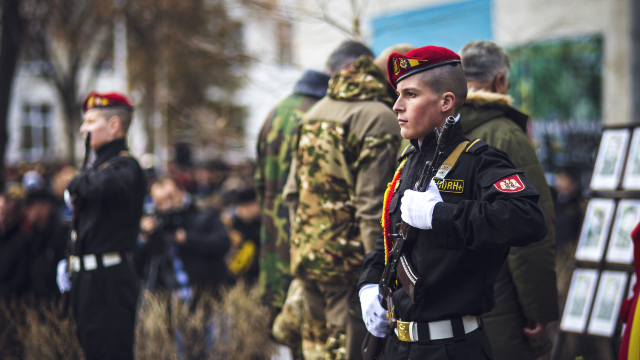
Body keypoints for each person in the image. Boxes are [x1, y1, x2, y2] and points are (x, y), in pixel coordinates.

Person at [357, 45, 548, 360]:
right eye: (398, 95)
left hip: (451, 348)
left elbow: (528, 217)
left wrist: (439, 215)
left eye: (410, 95)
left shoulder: (480, 160)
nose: (396, 106)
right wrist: (368, 286)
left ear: (446, 102)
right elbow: (390, 240)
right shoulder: (408, 162)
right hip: (398, 346)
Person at [284, 41, 402, 360]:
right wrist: (379, 273)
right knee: (351, 351)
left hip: (308, 257)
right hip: (350, 268)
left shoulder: (314, 112)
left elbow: (291, 193)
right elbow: (371, 208)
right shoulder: (380, 118)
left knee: (318, 350)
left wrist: (303, 245)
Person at [459, 40, 559, 360]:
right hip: (500, 306)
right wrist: (539, 311)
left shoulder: (434, 131)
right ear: (500, 81)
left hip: (445, 307)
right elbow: (530, 231)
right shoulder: (506, 135)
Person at [57, 91, 146, 360]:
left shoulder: (125, 166)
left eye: (91, 121)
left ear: (114, 125)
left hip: (109, 281)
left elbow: (102, 186)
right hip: (88, 280)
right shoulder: (100, 168)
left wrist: (73, 182)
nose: (84, 129)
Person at [255, 66, 330, 356]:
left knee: (285, 322)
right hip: (303, 227)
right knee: (309, 319)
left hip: (271, 231)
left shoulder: (273, 113)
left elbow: (260, 179)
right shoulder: (316, 115)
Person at [138, 177, 231, 297]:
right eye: (160, 202)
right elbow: (138, 267)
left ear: (181, 191)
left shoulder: (203, 213)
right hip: (171, 300)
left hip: (207, 295)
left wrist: (187, 239)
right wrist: (144, 238)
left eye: (170, 197)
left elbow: (223, 243)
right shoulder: (155, 224)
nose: (167, 205)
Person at [24, 176, 68, 303]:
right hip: (38, 303)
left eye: (31, 206)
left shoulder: (61, 232)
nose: (27, 211)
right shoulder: (34, 233)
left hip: (54, 303)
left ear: (45, 207)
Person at [0, 183, 31, 301]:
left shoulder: (23, 239)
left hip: (11, 303)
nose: (2, 218)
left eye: (7, 214)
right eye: (1, 213)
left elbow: (21, 279)